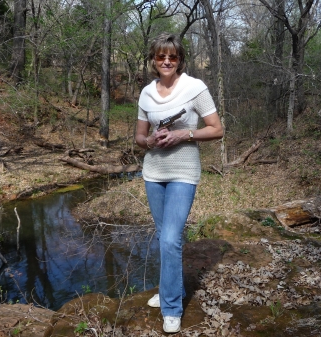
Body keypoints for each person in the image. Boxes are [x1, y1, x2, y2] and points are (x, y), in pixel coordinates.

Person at [135, 33, 223, 333]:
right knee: (163, 237)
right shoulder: (146, 93)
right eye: (161, 56)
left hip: (184, 171)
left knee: (171, 238)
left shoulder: (195, 87)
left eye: (172, 56)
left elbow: (216, 129)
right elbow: (138, 137)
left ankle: (171, 307)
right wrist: (149, 140)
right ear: (154, 60)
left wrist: (182, 134)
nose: (167, 61)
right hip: (153, 172)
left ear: (180, 59)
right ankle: (170, 289)